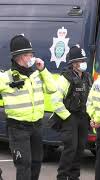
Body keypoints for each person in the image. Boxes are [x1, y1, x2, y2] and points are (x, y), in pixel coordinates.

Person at [0, 34, 57, 180]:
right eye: (28, 55)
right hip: (18, 128)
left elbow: (52, 88)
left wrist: (43, 69)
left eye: (32, 54)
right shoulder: (6, 77)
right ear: (18, 57)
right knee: (23, 164)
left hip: (36, 126)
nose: (31, 57)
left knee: (36, 162)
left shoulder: (36, 75)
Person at [53, 45, 92, 180]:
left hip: (83, 117)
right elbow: (55, 101)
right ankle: (62, 176)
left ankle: (74, 176)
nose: (83, 63)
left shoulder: (87, 77)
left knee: (80, 148)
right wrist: (67, 117)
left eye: (83, 60)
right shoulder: (65, 78)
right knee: (70, 148)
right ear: (74, 63)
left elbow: (90, 98)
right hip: (70, 117)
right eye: (80, 61)